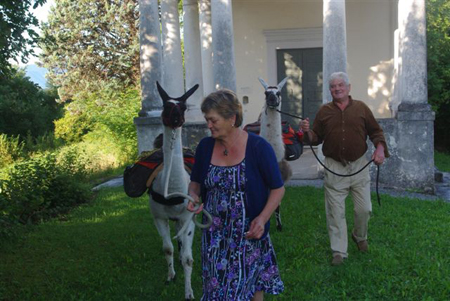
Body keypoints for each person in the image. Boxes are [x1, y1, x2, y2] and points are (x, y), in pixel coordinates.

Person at [187, 89, 285, 301]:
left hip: (249, 233)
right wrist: (193, 197)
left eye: (213, 120)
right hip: (214, 235)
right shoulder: (205, 147)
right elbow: (195, 183)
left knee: (251, 287)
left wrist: (262, 219)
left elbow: (278, 188)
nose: (209, 125)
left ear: (232, 118)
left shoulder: (259, 147)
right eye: (207, 120)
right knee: (217, 290)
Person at [301, 72, 389, 266]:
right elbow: (315, 138)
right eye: (333, 86)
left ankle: (359, 235)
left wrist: (380, 149)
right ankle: (339, 251)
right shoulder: (324, 111)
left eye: (341, 85)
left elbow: (376, 132)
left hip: (358, 165)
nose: (337, 88)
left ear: (348, 87)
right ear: (330, 90)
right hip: (334, 167)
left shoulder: (361, 108)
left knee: (364, 209)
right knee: (335, 212)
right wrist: (306, 130)